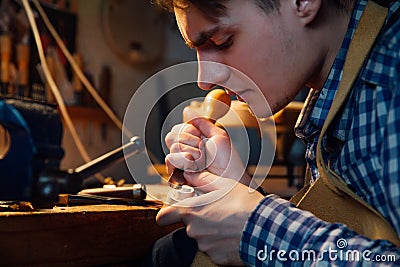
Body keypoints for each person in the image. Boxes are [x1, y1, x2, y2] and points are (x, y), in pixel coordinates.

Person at [143, 0, 400, 265]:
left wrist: (259, 230)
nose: (204, 79)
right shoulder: (338, 88)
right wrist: (241, 197)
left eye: (223, 41)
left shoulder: (390, 77)